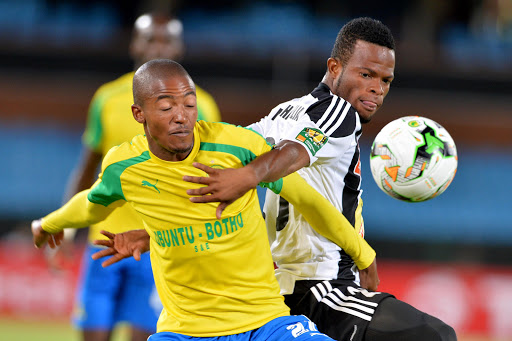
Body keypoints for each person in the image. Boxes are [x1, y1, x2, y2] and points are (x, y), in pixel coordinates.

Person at [30, 59, 378, 341]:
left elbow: (310, 201)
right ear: (140, 115)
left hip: (264, 325)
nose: (182, 116)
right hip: (184, 333)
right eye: (166, 107)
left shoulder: (238, 148)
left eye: (189, 104)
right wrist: (49, 223)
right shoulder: (125, 168)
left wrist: (363, 255)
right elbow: (91, 204)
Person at [182, 17, 457, 341]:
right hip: (321, 288)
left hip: (281, 289)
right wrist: (247, 177)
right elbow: (296, 151)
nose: (377, 89)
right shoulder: (340, 112)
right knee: (435, 336)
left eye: (385, 80)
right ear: (335, 67)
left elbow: (235, 148)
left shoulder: (284, 112)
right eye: (366, 74)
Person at [48, 12, 221, 341]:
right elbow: (88, 170)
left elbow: (212, 183)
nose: (158, 46)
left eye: (166, 39)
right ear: (134, 44)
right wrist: (65, 229)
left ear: (180, 47)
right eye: (150, 38)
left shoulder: (203, 107)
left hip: (160, 248)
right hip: (105, 243)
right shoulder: (108, 100)